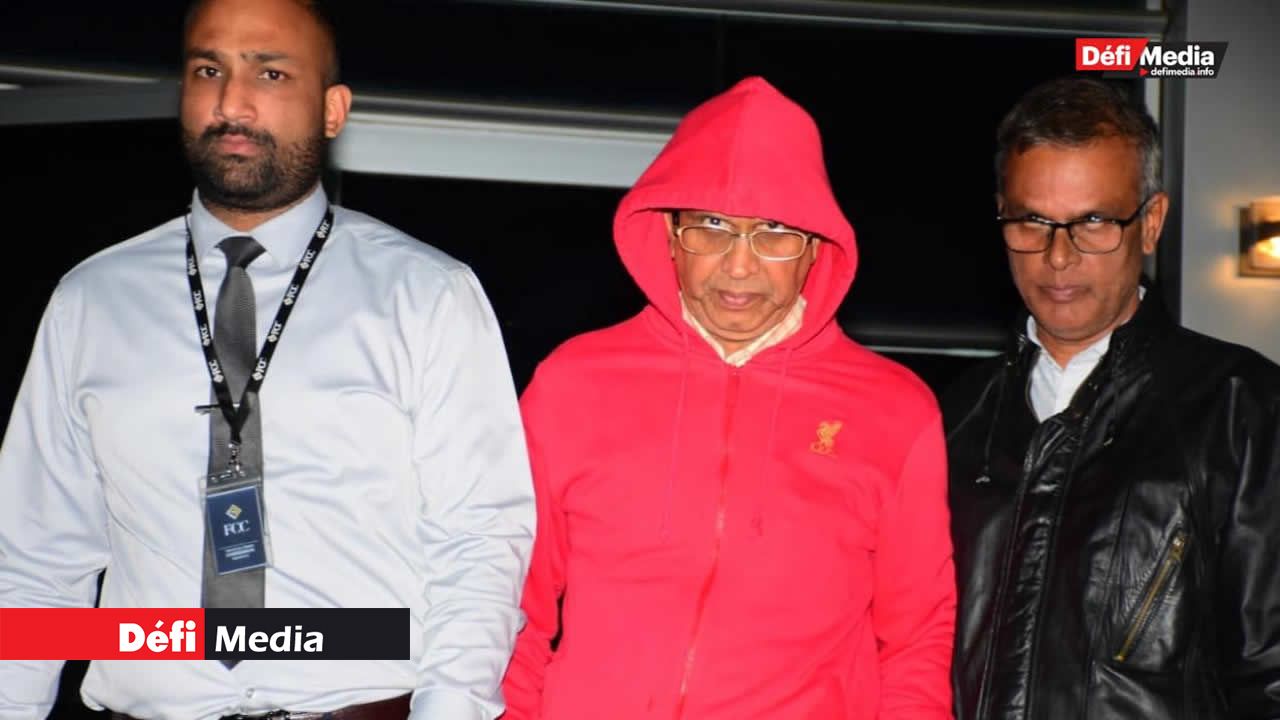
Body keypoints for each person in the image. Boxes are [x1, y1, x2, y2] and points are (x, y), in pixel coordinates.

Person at [0, 1, 534, 718]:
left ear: (332, 110)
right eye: (208, 70)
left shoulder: (424, 294)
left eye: (271, 73)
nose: (232, 102)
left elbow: (480, 544)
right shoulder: (91, 300)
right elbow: (32, 561)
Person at [501, 76, 955, 719]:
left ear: (815, 248)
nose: (739, 266)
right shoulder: (575, 382)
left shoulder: (895, 410)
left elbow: (916, 641)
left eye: (774, 230)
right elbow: (511, 606)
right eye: (712, 226)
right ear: (669, 232)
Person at [945, 76, 1280, 719]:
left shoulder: (1243, 410)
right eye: (1033, 221)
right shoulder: (950, 420)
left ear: (1150, 223)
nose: (1058, 256)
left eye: (1094, 221)